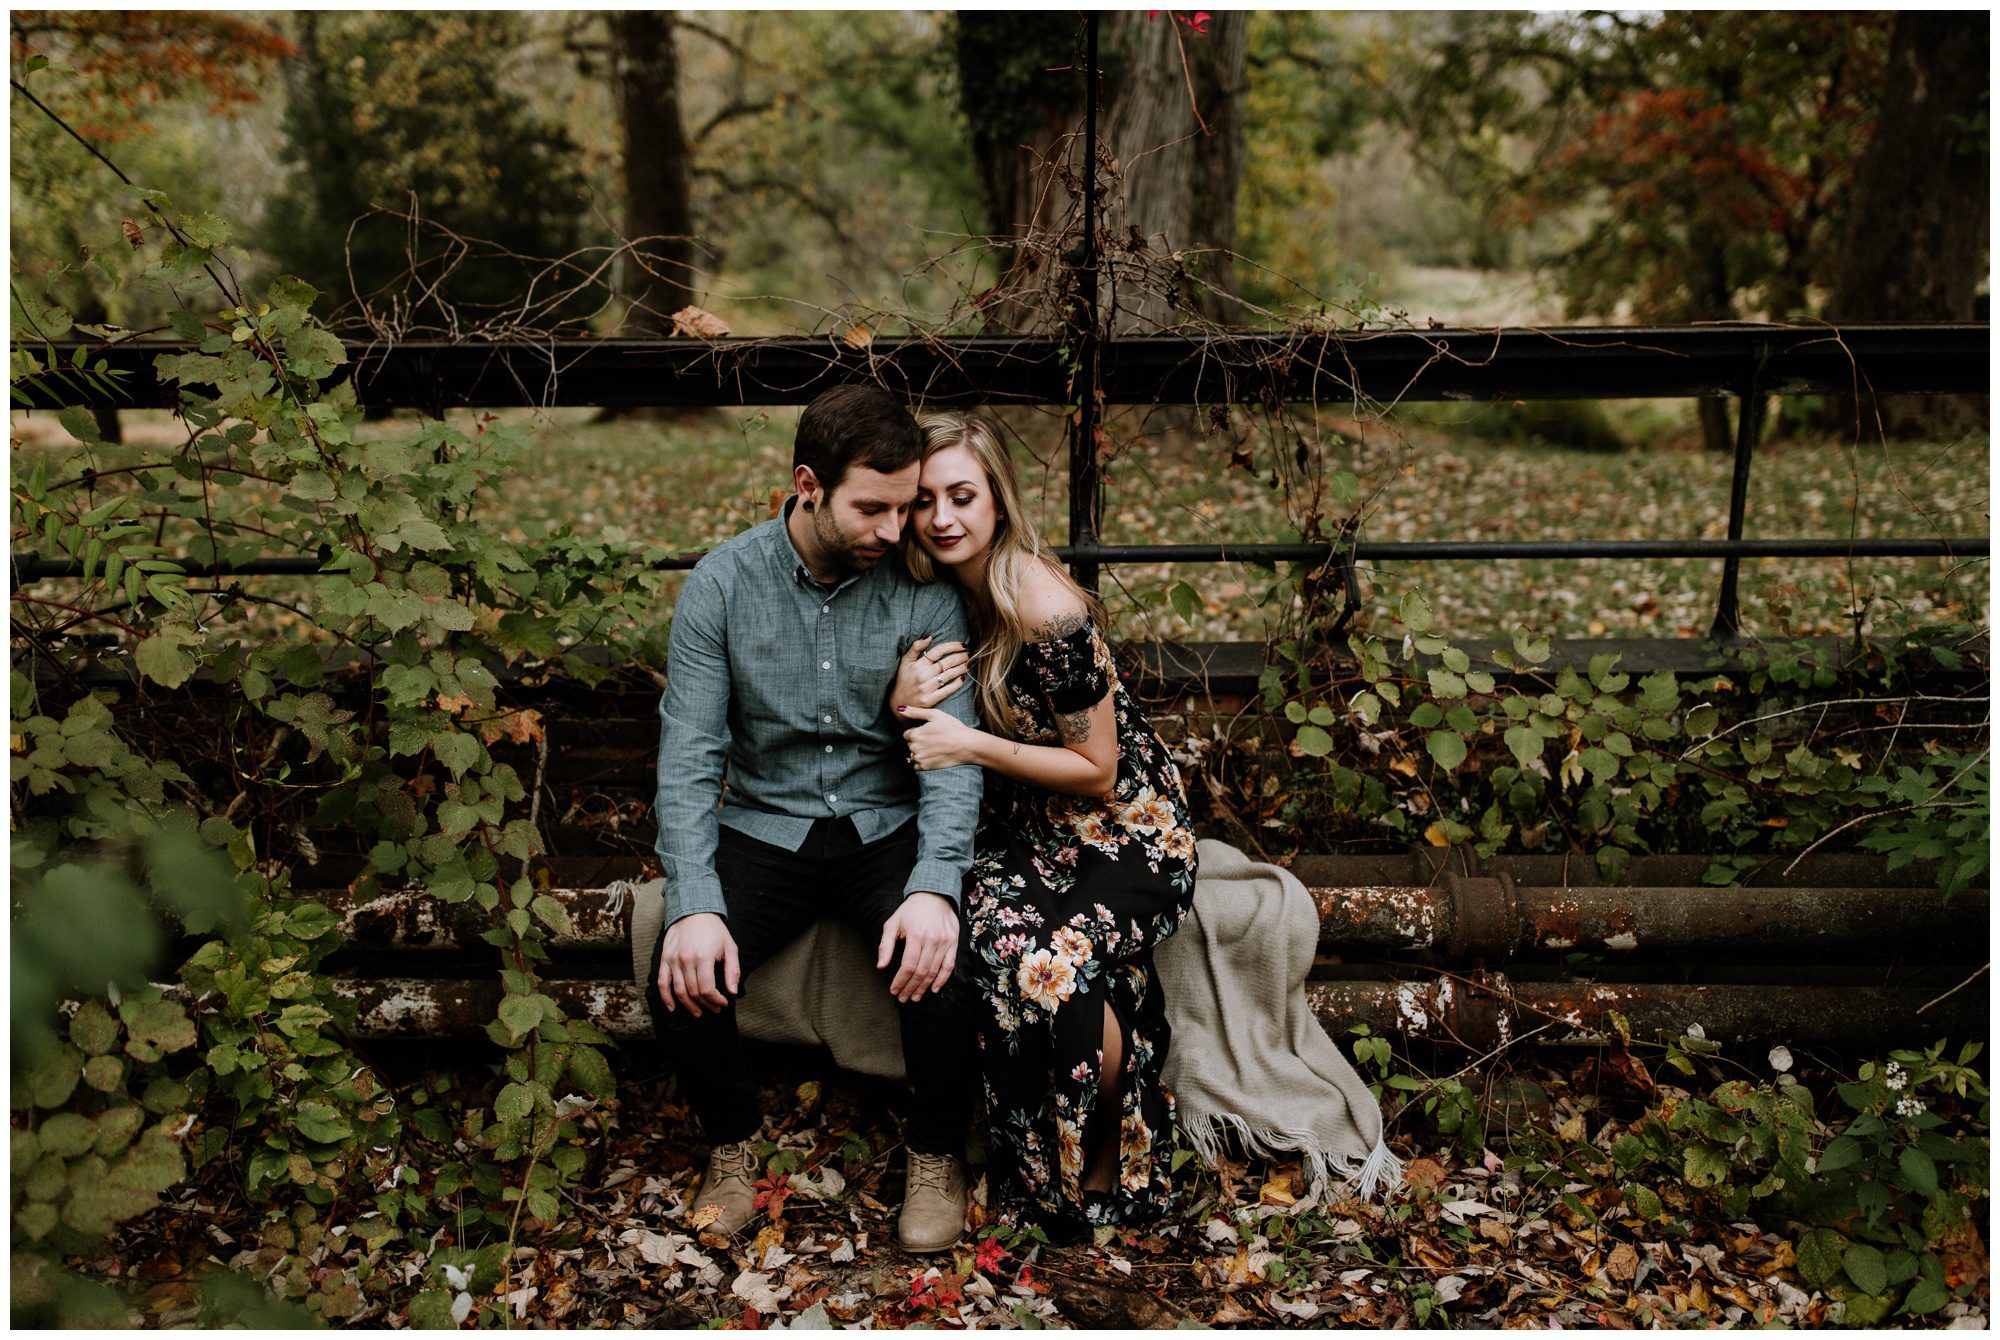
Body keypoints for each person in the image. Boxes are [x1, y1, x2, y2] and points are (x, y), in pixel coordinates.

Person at [647, 384, 983, 1254]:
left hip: (885, 822)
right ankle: (731, 1150)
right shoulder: (723, 586)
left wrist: (937, 886)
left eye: (904, 507)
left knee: (944, 965)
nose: (892, 529)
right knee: (680, 972)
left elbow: (950, 758)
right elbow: (688, 758)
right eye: (870, 508)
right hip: (769, 823)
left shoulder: (923, 588)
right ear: (808, 485)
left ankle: (938, 1154)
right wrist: (692, 897)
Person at [891, 409, 1198, 1231]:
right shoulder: (927, 593)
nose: (943, 518)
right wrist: (903, 705)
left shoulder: (1043, 605)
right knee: (990, 933)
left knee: (1046, 966)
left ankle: (1106, 1147)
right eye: (924, 500)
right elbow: (927, 728)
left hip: (1126, 828)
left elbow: (1098, 771)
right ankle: (1053, 1164)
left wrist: (968, 744)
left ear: (998, 501)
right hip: (1024, 821)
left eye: (963, 496)